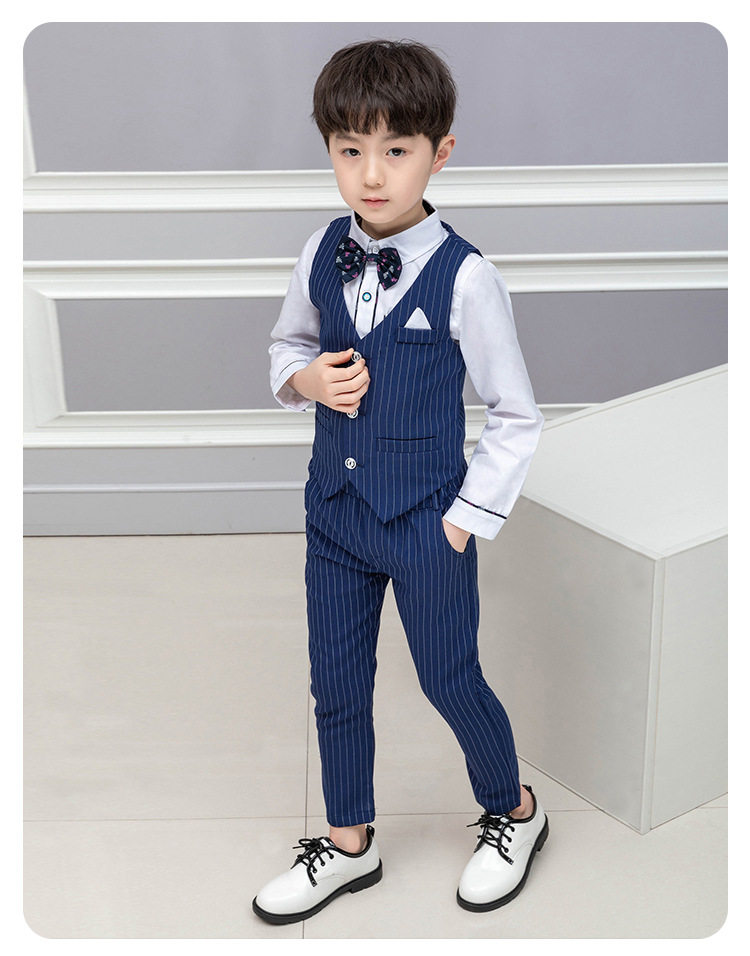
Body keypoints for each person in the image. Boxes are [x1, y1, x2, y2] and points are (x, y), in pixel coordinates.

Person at [254, 39, 548, 926]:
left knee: (448, 676)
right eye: (350, 150)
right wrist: (305, 380)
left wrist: (462, 522)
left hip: (427, 520)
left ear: (439, 152)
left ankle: (514, 812)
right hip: (335, 514)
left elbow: (515, 414)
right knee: (336, 682)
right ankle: (350, 844)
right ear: (329, 150)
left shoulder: (468, 278)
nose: (372, 174)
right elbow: (287, 346)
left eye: (396, 149)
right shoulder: (320, 249)